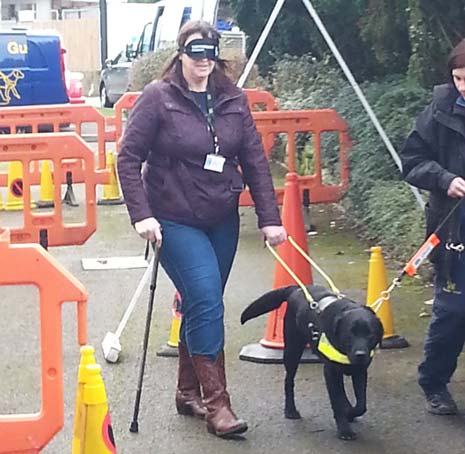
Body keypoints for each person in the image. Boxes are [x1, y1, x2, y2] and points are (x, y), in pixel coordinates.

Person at [117, 20, 287, 438]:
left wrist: (270, 218)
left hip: (221, 217)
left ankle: (187, 391)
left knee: (201, 302)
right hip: (172, 216)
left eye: (209, 54)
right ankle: (218, 405)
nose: (203, 63)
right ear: (181, 54)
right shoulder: (158, 97)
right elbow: (127, 157)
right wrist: (142, 215)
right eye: (195, 54)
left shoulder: (233, 99)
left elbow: (254, 160)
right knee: (208, 298)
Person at [401, 39, 465, 416]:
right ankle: (434, 382)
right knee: (453, 311)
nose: (463, 87)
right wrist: (445, 179)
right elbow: (412, 160)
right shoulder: (439, 109)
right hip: (453, 226)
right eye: (458, 78)